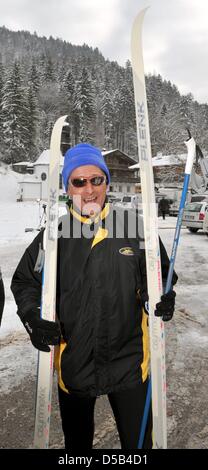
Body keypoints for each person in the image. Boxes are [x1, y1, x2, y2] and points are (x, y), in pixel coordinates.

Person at [11, 143, 177, 450]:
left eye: (96, 180)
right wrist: (33, 316)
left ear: (106, 183)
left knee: (139, 446)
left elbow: (160, 276)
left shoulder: (133, 227)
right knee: (77, 447)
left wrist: (163, 295)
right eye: (79, 181)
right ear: (67, 188)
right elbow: (25, 282)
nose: (89, 190)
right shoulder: (54, 234)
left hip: (130, 363)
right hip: (75, 363)